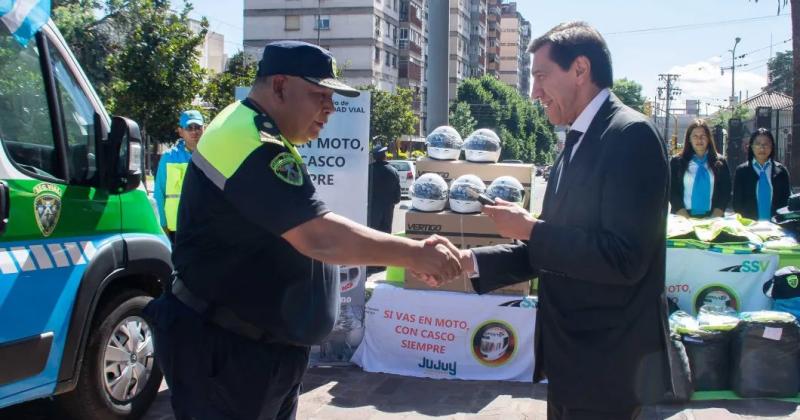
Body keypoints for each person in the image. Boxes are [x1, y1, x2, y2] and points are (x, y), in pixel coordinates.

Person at [143, 41, 461, 420]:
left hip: (253, 350)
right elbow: (317, 236)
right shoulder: (250, 141)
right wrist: (413, 253)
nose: (330, 108)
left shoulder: (258, 132)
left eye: (331, 97)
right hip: (227, 356)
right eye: (319, 95)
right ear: (279, 86)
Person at [428, 22, 671, 419]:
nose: (534, 92)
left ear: (580, 69)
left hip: (609, 369)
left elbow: (624, 259)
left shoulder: (631, 136)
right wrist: (465, 261)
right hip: (570, 363)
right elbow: (547, 248)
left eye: (541, 76)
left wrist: (529, 229)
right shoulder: (577, 139)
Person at [154, 110, 204, 242]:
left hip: (205, 226)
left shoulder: (212, 156)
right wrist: (162, 225)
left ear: (204, 128)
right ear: (180, 131)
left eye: (197, 127)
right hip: (176, 228)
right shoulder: (168, 157)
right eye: (189, 128)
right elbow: (159, 193)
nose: (194, 132)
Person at [669, 119, 731, 218]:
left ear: (709, 138)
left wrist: (714, 218)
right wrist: (685, 217)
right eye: (695, 136)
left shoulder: (720, 162)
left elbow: (725, 191)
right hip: (682, 218)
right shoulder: (677, 162)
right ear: (689, 139)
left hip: (713, 219)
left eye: (703, 136)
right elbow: (672, 191)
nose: (699, 140)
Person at [732, 128, 791, 220]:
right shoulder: (742, 171)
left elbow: (786, 202)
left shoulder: (781, 171)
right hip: (750, 227)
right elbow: (737, 203)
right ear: (751, 146)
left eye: (766, 144)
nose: (762, 148)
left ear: (772, 147)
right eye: (758, 144)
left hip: (776, 227)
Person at [368, 145, 401, 234]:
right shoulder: (393, 171)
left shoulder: (369, 170)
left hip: (373, 206)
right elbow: (397, 192)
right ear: (384, 156)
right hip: (388, 207)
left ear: (374, 157)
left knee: (372, 232)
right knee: (386, 232)